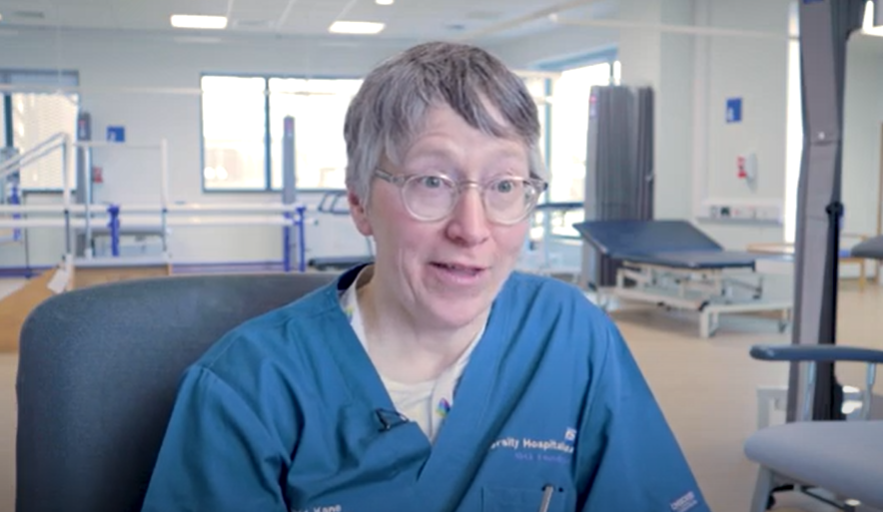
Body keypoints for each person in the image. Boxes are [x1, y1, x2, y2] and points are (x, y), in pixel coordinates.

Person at [141, 41, 710, 512]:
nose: (472, 228)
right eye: (432, 182)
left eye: (505, 185)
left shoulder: (572, 338)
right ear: (360, 203)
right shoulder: (247, 388)